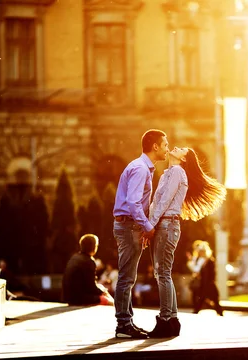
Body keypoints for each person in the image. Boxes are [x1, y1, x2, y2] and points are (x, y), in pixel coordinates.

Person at [146, 147, 226, 337]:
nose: (176, 147)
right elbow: (155, 202)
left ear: (183, 159)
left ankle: (166, 320)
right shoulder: (168, 173)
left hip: (166, 225)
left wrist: (149, 225)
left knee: (163, 274)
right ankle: (171, 320)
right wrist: (149, 224)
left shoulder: (177, 172)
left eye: (181, 149)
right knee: (162, 274)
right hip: (162, 225)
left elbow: (164, 201)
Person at [112, 129, 169, 339]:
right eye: (165, 144)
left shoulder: (142, 167)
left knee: (128, 277)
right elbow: (133, 203)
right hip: (128, 226)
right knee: (126, 278)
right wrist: (147, 227)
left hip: (129, 226)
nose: (167, 148)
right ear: (155, 146)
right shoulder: (141, 169)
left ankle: (127, 323)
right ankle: (123, 325)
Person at [62, 234, 114, 306]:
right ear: (94, 247)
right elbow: (91, 287)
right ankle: (118, 307)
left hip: (69, 297)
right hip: (79, 298)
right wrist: (103, 292)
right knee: (109, 302)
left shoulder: (74, 258)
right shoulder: (88, 261)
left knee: (101, 287)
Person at [187, 240, 224, 316]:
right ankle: (196, 310)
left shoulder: (210, 261)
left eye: (202, 251)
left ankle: (219, 312)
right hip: (203, 284)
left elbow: (212, 273)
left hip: (209, 284)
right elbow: (196, 270)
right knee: (202, 298)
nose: (201, 253)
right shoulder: (200, 260)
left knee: (214, 299)